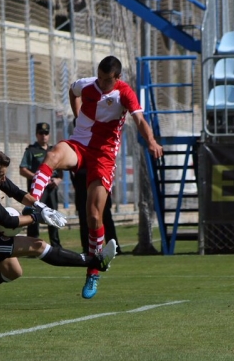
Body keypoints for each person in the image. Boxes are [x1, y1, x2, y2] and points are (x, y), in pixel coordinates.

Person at [28, 55, 163, 299]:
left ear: (117, 78)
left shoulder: (125, 93)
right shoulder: (87, 84)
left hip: (103, 155)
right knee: (54, 153)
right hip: (79, 144)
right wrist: (78, 115)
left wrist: (151, 141)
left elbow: (140, 120)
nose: (100, 84)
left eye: (106, 80)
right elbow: (72, 92)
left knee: (93, 214)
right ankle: (34, 204)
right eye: (99, 78)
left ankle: (94, 271)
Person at [0, 150, 116, 312]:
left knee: (13, 272)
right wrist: (38, 218)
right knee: (38, 246)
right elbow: (8, 221)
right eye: (1, 174)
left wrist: (41, 206)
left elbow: (15, 192)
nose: (3, 178)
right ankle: (96, 262)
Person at [19, 122, 62, 247]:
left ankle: (56, 245)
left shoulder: (53, 150)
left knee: (53, 215)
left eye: (46, 133)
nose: (44, 136)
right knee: (34, 216)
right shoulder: (31, 151)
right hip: (37, 191)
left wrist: (58, 180)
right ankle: (31, 246)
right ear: (36, 135)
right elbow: (23, 169)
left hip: (51, 188)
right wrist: (39, 178)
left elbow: (60, 171)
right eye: (41, 133)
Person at [72, 167, 122, 255]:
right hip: (82, 183)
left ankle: (114, 247)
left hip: (98, 181)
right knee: (84, 218)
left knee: (105, 217)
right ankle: (87, 248)